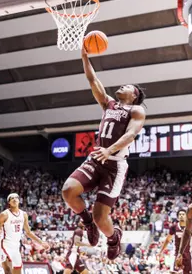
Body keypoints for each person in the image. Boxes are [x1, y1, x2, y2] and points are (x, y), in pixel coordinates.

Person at [62, 48, 146, 260]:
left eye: (127, 87)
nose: (121, 86)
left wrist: (110, 150)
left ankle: (113, 237)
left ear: (134, 95)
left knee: (102, 217)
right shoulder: (108, 104)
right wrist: (84, 56)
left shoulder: (136, 111)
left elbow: (132, 134)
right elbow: (92, 79)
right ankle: (87, 222)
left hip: (114, 165)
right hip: (97, 158)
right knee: (68, 190)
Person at [0, 193, 50, 274]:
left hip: (16, 247)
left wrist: (41, 242)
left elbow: (28, 232)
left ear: (19, 201)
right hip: (5, 245)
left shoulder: (24, 214)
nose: (14, 199)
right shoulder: (4, 214)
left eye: (16, 198)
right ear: (9, 202)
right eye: (12, 198)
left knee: (17, 272)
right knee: (8, 271)